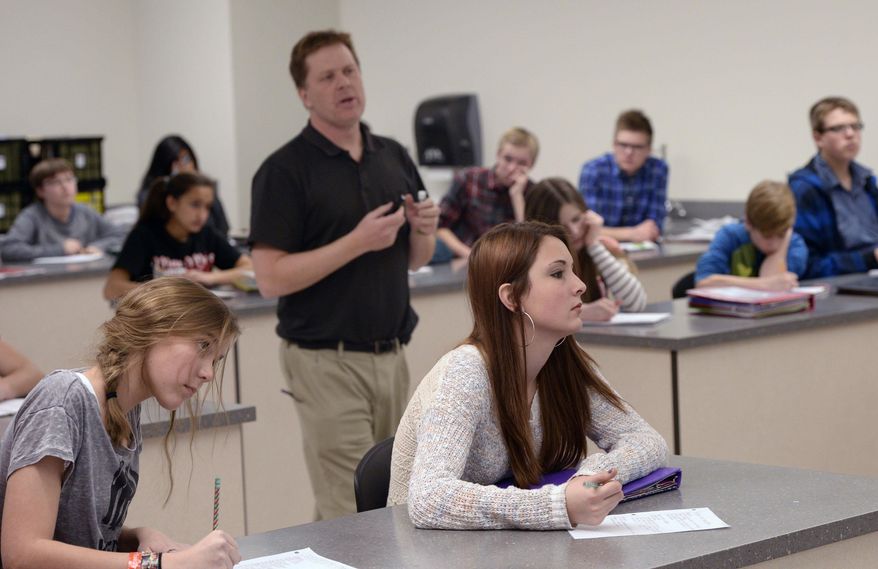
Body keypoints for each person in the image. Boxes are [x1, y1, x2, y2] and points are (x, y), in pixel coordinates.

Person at [249, 29, 439, 521]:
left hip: (392, 355)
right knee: (352, 506)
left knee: (389, 497)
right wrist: (355, 242)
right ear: (304, 94)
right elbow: (269, 277)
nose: (343, 83)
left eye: (349, 70)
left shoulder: (392, 154)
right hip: (325, 359)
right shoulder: (284, 170)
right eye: (327, 76)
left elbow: (416, 258)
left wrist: (424, 231)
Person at [388, 222, 667, 529]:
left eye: (572, 270)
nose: (580, 285)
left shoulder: (563, 362)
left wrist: (591, 476)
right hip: (426, 553)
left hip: (503, 549)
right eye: (558, 273)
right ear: (512, 297)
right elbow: (429, 498)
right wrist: (557, 505)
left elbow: (645, 440)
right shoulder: (464, 372)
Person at [0, 277, 242, 569]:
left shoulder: (127, 411)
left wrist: (137, 537)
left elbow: (78, 538)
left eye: (215, 360)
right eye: (203, 345)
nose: (208, 374)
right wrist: (158, 564)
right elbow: (22, 554)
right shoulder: (62, 401)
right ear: (153, 330)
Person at [104, 172, 252, 301]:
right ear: (172, 203)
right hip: (154, 322)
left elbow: (249, 268)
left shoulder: (208, 235)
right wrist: (167, 290)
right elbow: (112, 288)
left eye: (207, 207)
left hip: (196, 320)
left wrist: (208, 277)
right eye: (195, 205)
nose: (202, 215)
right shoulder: (144, 236)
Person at [525, 177, 647, 321]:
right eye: (561, 226)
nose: (575, 231)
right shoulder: (529, 260)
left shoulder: (596, 249)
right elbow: (526, 314)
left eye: (577, 219)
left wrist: (595, 246)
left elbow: (636, 304)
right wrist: (581, 313)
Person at [788, 96, 878, 278]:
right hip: (838, 286)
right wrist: (869, 258)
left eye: (855, 126)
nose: (850, 134)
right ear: (818, 138)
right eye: (838, 128)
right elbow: (808, 266)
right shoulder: (804, 189)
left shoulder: (867, 181)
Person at [434, 127, 538, 262]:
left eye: (522, 163)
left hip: (510, 266)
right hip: (466, 261)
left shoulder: (533, 192)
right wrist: (471, 255)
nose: (512, 168)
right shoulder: (470, 178)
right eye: (508, 159)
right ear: (498, 154)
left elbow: (531, 245)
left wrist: (517, 198)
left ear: (532, 164)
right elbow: (440, 226)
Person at [0, 159, 127, 263]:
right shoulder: (31, 216)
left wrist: (98, 247)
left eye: (69, 179)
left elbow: (119, 235)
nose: (65, 187)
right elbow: (8, 249)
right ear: (40, 191)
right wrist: (59, 249)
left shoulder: (86, 212)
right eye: (56, 182)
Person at [695, 180, 808, 290]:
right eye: (767, 236)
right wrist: (762, 285)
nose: (774, 244)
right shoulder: (730, 236)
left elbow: (773, 289)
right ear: (748, 223)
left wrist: (785, 241)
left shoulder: (794, 245)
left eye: (781, 235)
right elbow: (703, 283)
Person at [578, 109, 668, 242]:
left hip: (643, 251)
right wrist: (631, 234)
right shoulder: (594, 170)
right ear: (614, 144)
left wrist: (642, 232)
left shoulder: (658, 169)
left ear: (649, 150)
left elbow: (654, 227)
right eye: (623, 145)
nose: (629, 152)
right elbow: (587, 228)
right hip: (600, 250)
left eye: (637, 147)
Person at [137, 135, 230, 236]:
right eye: (176, 163)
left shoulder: (205, 191)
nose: (184, 166)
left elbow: (223, 228)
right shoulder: (151, 195)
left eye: (186, 159)